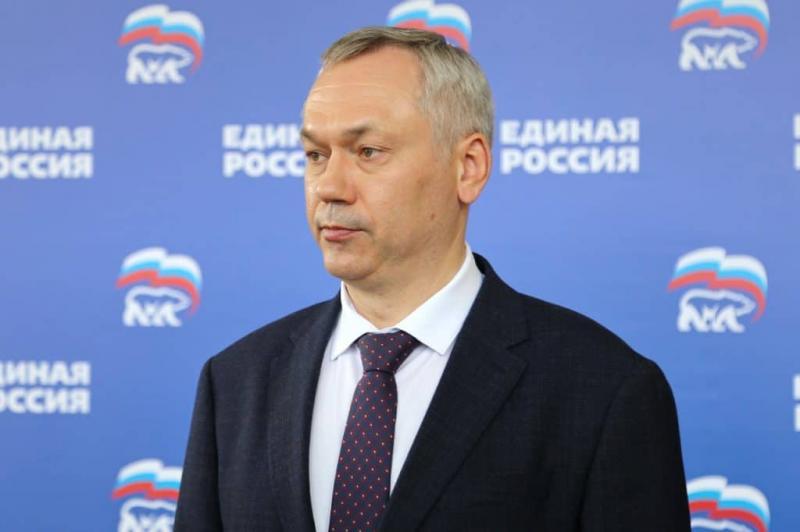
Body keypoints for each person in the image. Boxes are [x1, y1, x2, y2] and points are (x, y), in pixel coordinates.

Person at [174, 27, 690, 531]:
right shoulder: (234, 382)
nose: (329, 186)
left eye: (368, 151)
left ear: (468, 167)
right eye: (316, 155)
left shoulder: (604, 390)